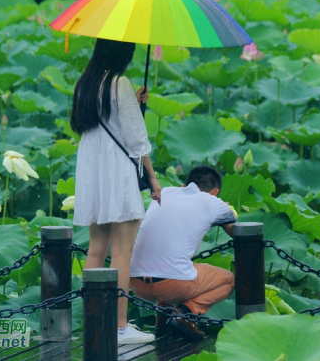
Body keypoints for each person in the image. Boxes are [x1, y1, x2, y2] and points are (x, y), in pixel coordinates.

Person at [71, 38, 162, 344]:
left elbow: (103, 122)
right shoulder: (119, 82)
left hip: (93, 171)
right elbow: (137, 140)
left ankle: (94, 321)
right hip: (116, 173)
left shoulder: (86, 83)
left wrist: (132, 104)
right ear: (124, 53)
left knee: (96, 249)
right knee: (122, 251)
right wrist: (152, 178)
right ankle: (120, 326)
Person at [129, 166, 237, 340]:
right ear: (215, 191)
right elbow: (235, 231)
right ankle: (185, 314)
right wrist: (225, 209)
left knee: (170, 262)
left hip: (134, 282)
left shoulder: (166, 192)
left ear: (184, 185)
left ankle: (162, 326)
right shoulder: (213, 202)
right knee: (230, 280)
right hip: (172, 284)